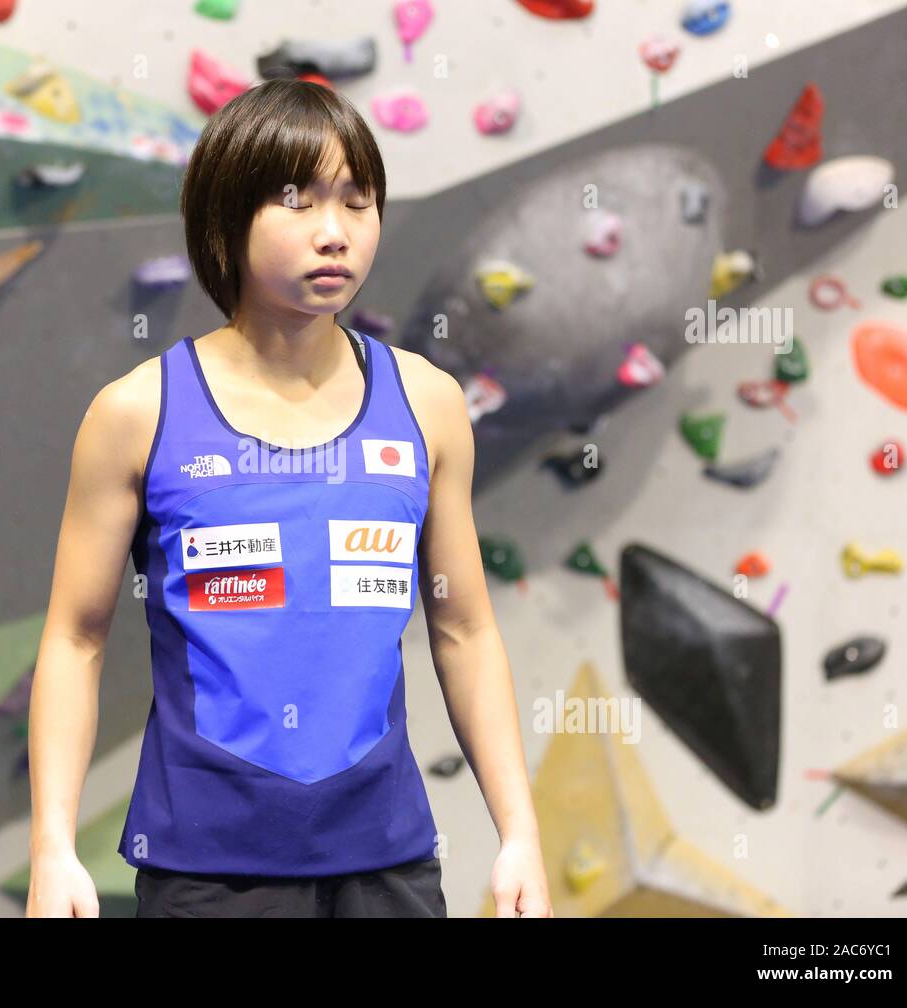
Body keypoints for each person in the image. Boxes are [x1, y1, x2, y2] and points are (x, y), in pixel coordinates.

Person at [27, 78, 551, 919]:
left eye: (356, 199)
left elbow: (464, 627)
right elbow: (75, 638)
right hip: (208, 866)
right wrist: (51, 846)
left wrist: (518, 829)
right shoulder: (137, 413)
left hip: (388, 859)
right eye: (296, 201)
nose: (334, 231)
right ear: (222, 223)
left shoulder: (428, 403)